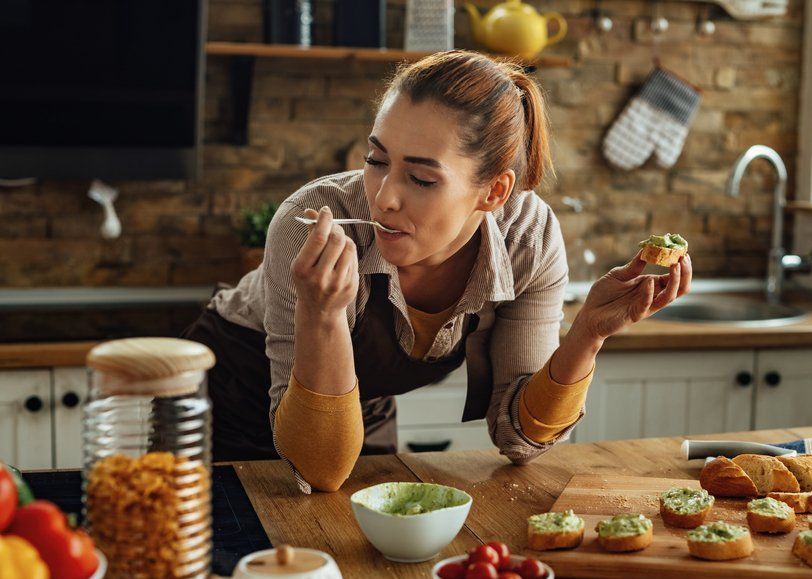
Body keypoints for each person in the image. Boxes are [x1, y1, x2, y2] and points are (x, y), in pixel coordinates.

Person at [183, 50, 692, 493]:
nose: (384, 198)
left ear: (493, 192)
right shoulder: (314, 220)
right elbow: (317, 469)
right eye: (376, 159)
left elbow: (519, 439)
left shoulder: (527, 240)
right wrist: (321, 315)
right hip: (235, 395)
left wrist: (585, 335)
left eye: (422, 178)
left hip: (359, 405)